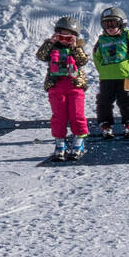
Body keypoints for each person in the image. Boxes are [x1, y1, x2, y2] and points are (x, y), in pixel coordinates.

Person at [36, 16, 90, 161]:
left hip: (74, 85)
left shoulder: (77, 48)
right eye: (61, 35)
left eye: (68, 36)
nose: (64, 40)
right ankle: (60, 143)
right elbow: (40, 56)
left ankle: (79, 141)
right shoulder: (52, 47)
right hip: (56, 85)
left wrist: (75, 47)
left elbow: (83, 61)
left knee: (77, 115)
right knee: (59, 116)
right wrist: (50, 42)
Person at [92, 6, 129, 139]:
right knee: (104, 102)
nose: (110, 27)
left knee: (127, 100)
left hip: (126, 78)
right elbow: (96, 58)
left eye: (114, 24)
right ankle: (105, 125)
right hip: (106, 79)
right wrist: (104, 72)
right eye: (106, 24)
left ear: (122, 23)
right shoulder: (101, 41)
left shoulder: (128, 39)